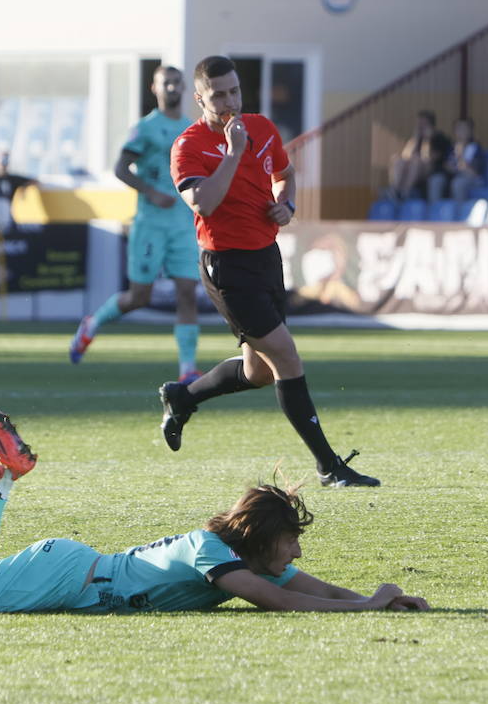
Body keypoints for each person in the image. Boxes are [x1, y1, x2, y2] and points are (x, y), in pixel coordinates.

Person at [0, 402, 428, 614]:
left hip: (72, 571)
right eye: (290, 539)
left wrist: (377, 600)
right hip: (65, 577)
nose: (297, 548)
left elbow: (314, 589)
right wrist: (365, 608)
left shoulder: (235, 556)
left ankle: (0, 478)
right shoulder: (213, 554)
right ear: (262, 539)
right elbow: (271, 598)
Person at [159, 55, 380, 488]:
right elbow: (203, 202)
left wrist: (287, 203)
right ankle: (327, 466)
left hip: (266, 258)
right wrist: (234, 152)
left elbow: (285, 173)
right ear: (199, 97)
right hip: (226, 266)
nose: (229, 101)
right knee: (287, 358)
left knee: (258, 373)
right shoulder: (188, 146)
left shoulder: (261, 128)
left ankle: (182, 396)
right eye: (218, 94)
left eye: (235, 91)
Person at [69, 65, 203, 384]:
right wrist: (152, 193)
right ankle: (93, 323)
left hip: (183, 224)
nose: (171, 87)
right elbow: (121, 168)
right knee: (139, 297)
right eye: (165, 83)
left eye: (175, 83)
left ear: (184, 88)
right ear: (154, 88)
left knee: (187, 292)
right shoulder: (145, 128)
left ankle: (187, 368)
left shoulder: (191, 128)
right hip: (150, 223)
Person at [388, 110, 451, 201]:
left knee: (416, 160)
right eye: (419, 124)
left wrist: (427, 139)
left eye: (423, 124)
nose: (420, 127)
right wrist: (415, 139)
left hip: (433, 170)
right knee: (397, 159)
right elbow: (406, 156)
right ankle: (395, 190)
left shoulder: (439, 137)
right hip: (414, 169)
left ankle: (405, 192)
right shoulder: (416, 138)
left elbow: (429, 158)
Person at [428, 117, 487, 204]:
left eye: (464, 129)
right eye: (458, 129)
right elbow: (446, 166)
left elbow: (473, 173)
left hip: (471, 178)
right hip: (453, 176)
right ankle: (435, 211)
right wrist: (450, 168)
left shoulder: (476, 148)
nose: (461, 132)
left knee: (458, 183)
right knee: (436, 180)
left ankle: (459, 213)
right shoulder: (451, 147)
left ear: (470, 131)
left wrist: (460, 157)